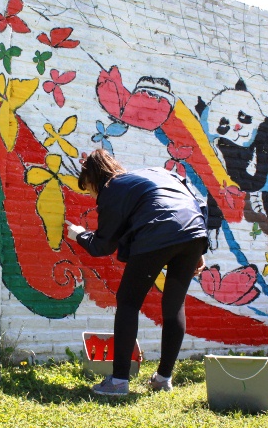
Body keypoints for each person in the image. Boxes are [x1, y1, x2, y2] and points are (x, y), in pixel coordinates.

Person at [67, 149, 208, 396]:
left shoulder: (112, 187)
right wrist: (197, 249)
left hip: (157, 233)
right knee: (174, 305)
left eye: (89, 189)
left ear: (94, 178)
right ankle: (163, 379)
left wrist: (79, 234)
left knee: (129, 302)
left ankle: (119, 381)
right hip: (194, 231)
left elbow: (103, 245)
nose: (92, 195)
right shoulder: (156, 173)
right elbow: (198, 201)